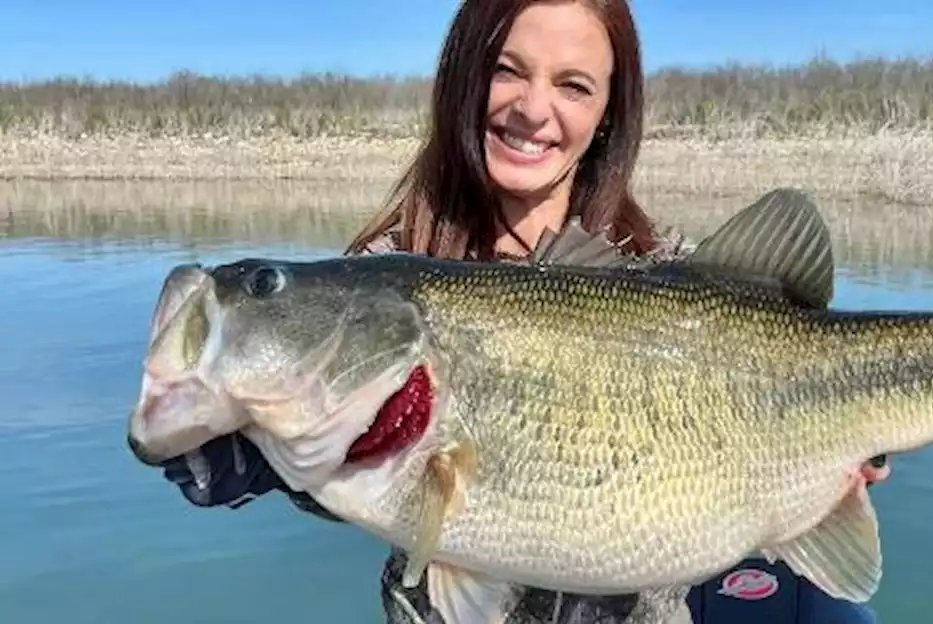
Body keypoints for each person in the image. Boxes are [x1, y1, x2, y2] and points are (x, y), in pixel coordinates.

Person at [153, 1, 893, 622]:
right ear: (464, 77)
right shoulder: (388, 264)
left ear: (607, 113)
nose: (533, 109)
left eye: (574, 86)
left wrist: (852, 442)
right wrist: (235, 436)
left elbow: (806, 371)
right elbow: (315, 456)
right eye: (507, 70)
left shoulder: (666, 265)